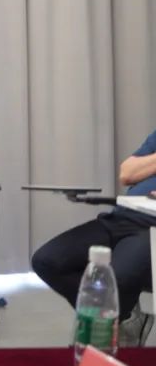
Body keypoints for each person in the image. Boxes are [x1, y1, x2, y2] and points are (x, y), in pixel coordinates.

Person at [32, 126, 156, 346]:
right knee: (46, 260)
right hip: (121, 217)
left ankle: (106, 327)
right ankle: (124, 318)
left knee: (116, 280)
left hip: (151, 227)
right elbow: (127, 174)